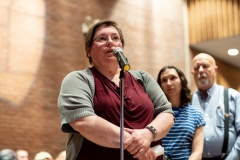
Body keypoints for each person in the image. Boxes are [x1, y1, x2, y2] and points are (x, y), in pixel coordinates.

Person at [57, 20, 174, 160]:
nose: (110, 42)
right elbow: (82, 121)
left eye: (115, 38)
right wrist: (137, 144)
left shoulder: (143, 78)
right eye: (102, 38)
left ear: (121, 46)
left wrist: (149, 133)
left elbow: (166, 112)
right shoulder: (78, 79)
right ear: (88, 51)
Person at [191, 53, 240, 160]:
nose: (200, 70)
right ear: (192, 72)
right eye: (196, 67)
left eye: (205, 66)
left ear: (215, 70)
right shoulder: (187, 102)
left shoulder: (233, 96)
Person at [157, 66, 205, 160]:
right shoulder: (154, 113)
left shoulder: (196, 114)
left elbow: (197, 151)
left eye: (173, 78)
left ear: (182, 81)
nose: (169, 83)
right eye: (164, 80)